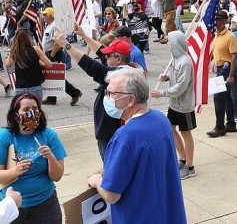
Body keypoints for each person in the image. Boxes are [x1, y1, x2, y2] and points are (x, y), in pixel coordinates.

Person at [87, 68, 186, 224]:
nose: (107, 98)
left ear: (131, 100)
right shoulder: (160, 119)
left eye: (112, 94)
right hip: (167, 213)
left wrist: (97, 180)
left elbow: (111, 195)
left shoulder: (125, 136)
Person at [0, 93, 66, 224]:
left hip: (45, 206)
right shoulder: (4, 137)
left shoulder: (49, 135)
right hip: (12, 206)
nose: (31, 113)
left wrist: (51, 157)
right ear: (15, 114)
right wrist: (15, 171)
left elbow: (56, 177)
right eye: (26, 110)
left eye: (35, 109)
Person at [54, 32, 128, 160]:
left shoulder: (118, 75)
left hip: (111, 134)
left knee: (113, 171)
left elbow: (92, 66)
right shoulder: (127, 69)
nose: (105, 58)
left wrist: (66, 45)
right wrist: (83, 34)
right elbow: (100, 52)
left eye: (108, 55)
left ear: (118, 59)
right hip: (111, 132)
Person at [150, 31, 196, 180]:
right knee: (170, 129)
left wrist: (162, 93)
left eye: (169, 41)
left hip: (184, 105)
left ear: (176, 43)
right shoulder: (174, 59)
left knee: (186, 133)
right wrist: (167, 77)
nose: (167, 44)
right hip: (174, 104)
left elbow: (181, 86)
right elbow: (176, 79)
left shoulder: (185, 62)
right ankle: (182, 159)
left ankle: (190, 166)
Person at [38, 8, 82, 106]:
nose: (43, 17)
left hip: (54, 53)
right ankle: (51, 98)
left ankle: (75, 92)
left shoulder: (55, 26)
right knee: (51, 76)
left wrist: (52, 55)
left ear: (51, 16)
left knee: (56, 76)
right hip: (49, 52)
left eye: (45, 15)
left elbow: (58, 42)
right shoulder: (49, 25)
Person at [207, 10, 237, 137]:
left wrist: (231, 75)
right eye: (216, 20)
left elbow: (234, 58)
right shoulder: (217, 35)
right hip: (220, 67)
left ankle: (219, 127)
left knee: (218, 97)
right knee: (226, 97)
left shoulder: (230, 36)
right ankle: (231, 123)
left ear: (226, 21)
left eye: (220, 20)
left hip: (227, 67)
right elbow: (215, 51)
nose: (217, 22)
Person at [5, 29, 52, 101]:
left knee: (22, 110)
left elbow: (8, 65)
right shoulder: (36, 49)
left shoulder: (15, 51)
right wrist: (38, 62)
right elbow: (49, 64)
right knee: (36, 110)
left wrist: (9, 54)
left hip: (21, 87)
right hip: (35, 86)